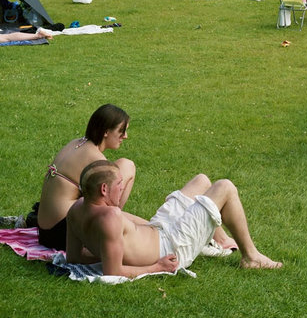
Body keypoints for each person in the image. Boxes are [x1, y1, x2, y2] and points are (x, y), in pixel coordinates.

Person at [67, 161, 281, 275]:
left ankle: (219, 240)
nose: (122, 188)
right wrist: (156, 267)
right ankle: (251, 257)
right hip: (173, 247)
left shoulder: (75, 209)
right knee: (225, 187)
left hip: (160, 229)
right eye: (119, 185)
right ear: (104, 189)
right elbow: (112, 271)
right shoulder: (110, 217)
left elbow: (74, 257)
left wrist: (107, 253)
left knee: (201, 181)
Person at [27, 104, 136, 251]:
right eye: (121, 131)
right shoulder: (95, 158)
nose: (125, 136)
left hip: (44, 231)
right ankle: (116, 226)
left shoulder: (76, 143)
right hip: (61, 235)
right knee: (127, 166)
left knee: (117, 171)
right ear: (106, 132)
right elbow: (108, 202)